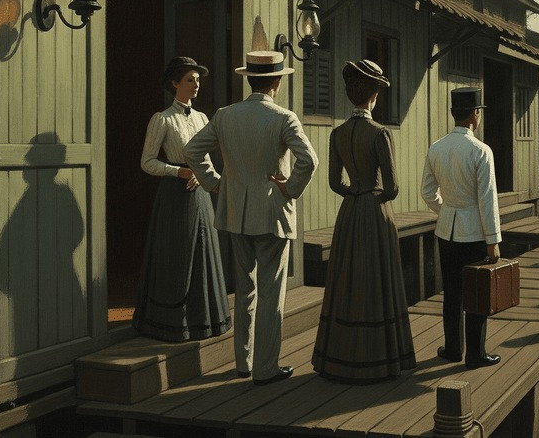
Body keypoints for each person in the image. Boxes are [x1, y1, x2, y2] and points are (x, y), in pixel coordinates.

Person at [184, 50, 318, 385]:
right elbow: (309, 160)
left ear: (250, 80)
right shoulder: (284, 118)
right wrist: (290, 189)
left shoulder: (225, 115)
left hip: (235, 215)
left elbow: (192, 151)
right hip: (272, 214)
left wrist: (216, 183)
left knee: (245, 290)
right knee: (272, 292)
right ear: (276, 82)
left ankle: (243, 362)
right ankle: (266, 368)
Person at [312, 59, 416, 382]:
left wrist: (353, 193)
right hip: (374, 210)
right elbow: (394, 187)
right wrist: (374, 197)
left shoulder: (337, 134)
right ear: (374, 96)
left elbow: (333, 182)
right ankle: (380, 357)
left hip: (350, 211)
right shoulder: (380, 134)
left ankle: (341, 356)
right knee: (377, 281)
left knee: (348, 281)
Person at [132, 56, 230, 342]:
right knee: (176, 255)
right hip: (173, 196)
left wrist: (202, 176)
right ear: (175, 84)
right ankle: (171, 323)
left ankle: (204, 320)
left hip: (198, 194)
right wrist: (178, 172)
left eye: (198, 79)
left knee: (202, 250)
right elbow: (147, 162)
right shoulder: (162, 119)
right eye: (190, 79)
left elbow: (208, 159)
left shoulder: (202, 118)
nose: (196, 84)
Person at [421, 86, 502, 369]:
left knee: (452, 292)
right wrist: (493, 239)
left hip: (446, 231)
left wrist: (446, 212)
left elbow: (428, 192)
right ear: (474, 115)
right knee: (477, 293)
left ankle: (454, 349)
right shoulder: (481, 151)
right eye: (479, 112)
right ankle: (476, 354)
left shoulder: (437, 147)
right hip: (474, 233)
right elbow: (487, 199)